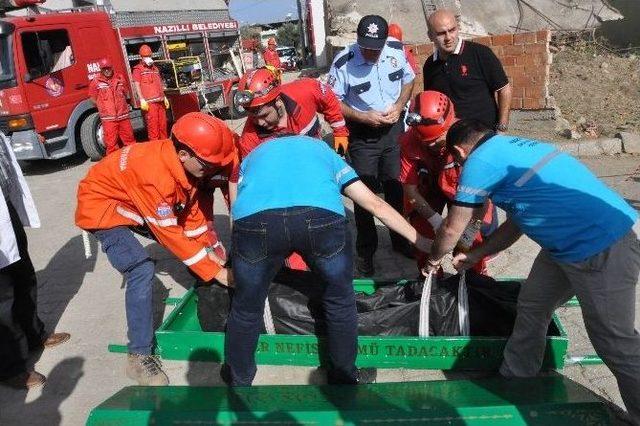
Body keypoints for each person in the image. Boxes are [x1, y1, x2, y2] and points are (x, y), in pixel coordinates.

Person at [425, 119, 640, 424]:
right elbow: (518, 224)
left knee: (614, 341)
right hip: (564, 247)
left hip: (601, 247)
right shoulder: (514, 148)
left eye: (457, 162)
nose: (460, 168)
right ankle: (517, 377)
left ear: (460, 151)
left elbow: (450, 229)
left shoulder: (478, 161)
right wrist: (475, 255)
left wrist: (433, 259)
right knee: (533, 304)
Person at [222, 135, 432, 386]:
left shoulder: (253, 157)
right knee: (339, 300)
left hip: (256, 224)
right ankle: (344, 375)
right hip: (320, 219)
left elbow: (236, 210)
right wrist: (422, 241)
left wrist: (238, 259)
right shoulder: (324, 152)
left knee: (246, 306)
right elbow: (373, 203)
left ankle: (239, 379)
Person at [75, 112, 236, 386]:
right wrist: (217, 273)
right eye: (209, 164)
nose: (212, 170)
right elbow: (170, 233)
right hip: (103, 208)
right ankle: (138, 356)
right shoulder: (155, 177)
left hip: (133, 201)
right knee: (140, 269)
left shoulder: (181, 166)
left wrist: (213, 254)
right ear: (185, 154)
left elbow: (191, 216)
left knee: (203, 257)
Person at [328, 15, 416, 276]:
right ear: (357, 41)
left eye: (376, 48)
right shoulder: (344, 61)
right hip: (363, 136)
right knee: (363, 195)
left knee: (395, 188)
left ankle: (400, 242)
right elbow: (332, 103)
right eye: (367, 47)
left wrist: (400, 107)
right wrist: (363, 116)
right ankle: (366, 252)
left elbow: (409, 80)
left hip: (393, 133)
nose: (372, 53)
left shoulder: (396, 51)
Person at [0, 131, 69, 389]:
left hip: (5, 207)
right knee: (2, 297)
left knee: (24, 275)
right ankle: (10, 368)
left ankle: (33, 334)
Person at [399, 91, 492, 274]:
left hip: (459, 187)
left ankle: (474, 278)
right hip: (427, 186)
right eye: (426, 142)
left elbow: (479, 208)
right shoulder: (410, 141)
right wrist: (435, 221)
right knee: (423, 235)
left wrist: (465, 239)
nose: (430, 146)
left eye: (436, 141)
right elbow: (410, 191)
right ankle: (431, 281)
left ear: (449, 125)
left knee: (470, 243)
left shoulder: (469, 142)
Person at [423, 9, 512, 133]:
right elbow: (433, 102)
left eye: (452, 30)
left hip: (484, 135)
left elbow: (504, 89)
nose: (448, 37)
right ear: (430, 36)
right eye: (441, 33)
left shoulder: (480, 54)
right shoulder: (430, 65)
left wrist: (502, 128)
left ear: (458, 28)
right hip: (451, 137)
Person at [234, 66, 349, 158]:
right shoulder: (249, 142)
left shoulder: (306, 90)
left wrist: (340, 132)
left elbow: (328, 98)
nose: (259, 123)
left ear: (278, 101)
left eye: (264, 115)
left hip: (317, 157)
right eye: (253, 117)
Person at [88, 57, 136, 156]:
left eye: (108, 68)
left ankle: (132, 161)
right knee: (111, 145)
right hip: (109, 119)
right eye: (104, 69)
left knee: (130, 141)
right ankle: (114, 166)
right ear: (101, 70)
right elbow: (92, 99)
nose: (107, 70)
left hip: (123, 117)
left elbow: (126, 92)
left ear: (111, 68)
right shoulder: (96, 82)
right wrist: (103, 107)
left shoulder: (120, 78)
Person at [132, 44, 169, 140]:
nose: (148, 58)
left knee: (163, 127)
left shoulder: (155, 68)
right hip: (150, 104)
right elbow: (137, 85)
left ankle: (164, 149)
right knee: (153, 129)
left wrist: (164, 97)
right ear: (141, 57)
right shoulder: (138, 69)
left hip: (160, 102)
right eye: (145, 56)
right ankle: (155, 151)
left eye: (149, 56)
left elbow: (159, 83)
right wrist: (141, 99)